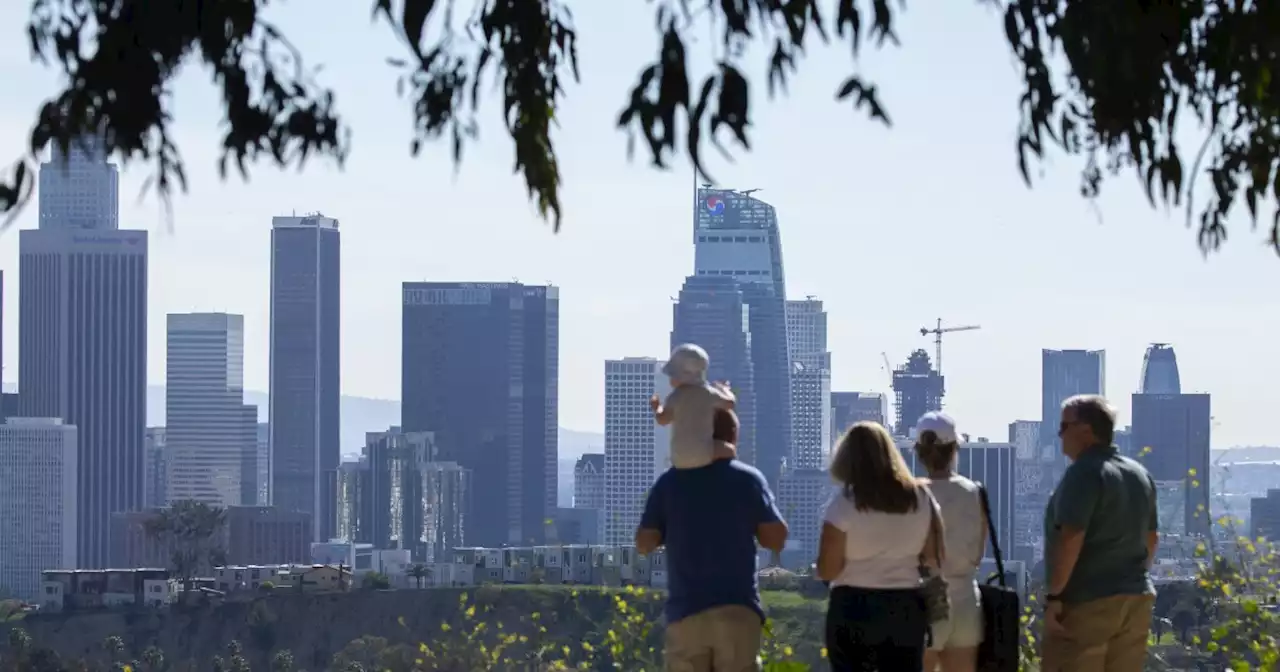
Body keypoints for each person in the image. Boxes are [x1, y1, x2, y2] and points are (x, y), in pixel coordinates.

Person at [636, 408, 788, 672]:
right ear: (733, 437)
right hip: (737, 607)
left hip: (687, 610)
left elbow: (644, 542)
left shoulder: (670, 482)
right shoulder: (748, 480)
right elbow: (776, 537)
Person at [1042, 394, 1159, 672]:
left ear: (1086, 430)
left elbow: (1071, 538)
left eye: (1064, 427)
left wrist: (1055, 597)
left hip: (1087, 602)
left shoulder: (1084, 472)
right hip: (1135, 600)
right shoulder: (1139, 473)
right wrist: (1131, 577)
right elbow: (1152, 538)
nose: (1060, 435)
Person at [817, 421, 946, 672]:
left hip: (853, 607)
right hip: (904, 607)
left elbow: (828, 569)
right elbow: (935, 557)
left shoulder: (844, 503)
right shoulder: (921, 498)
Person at [913, 413, 985, 672]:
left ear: (918, 452)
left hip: (925, 599)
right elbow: (978, 553)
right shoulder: (974, 492)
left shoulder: (913, 493)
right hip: (966, 598)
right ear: (954, 448)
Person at [651, 343, 737, 469]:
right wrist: (724, 389)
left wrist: (657, 407)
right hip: (704, 454)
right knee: (729, 450)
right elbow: (730, 403)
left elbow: (662, 420)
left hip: (679, 459)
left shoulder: (675, 397)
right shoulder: (708, 393)